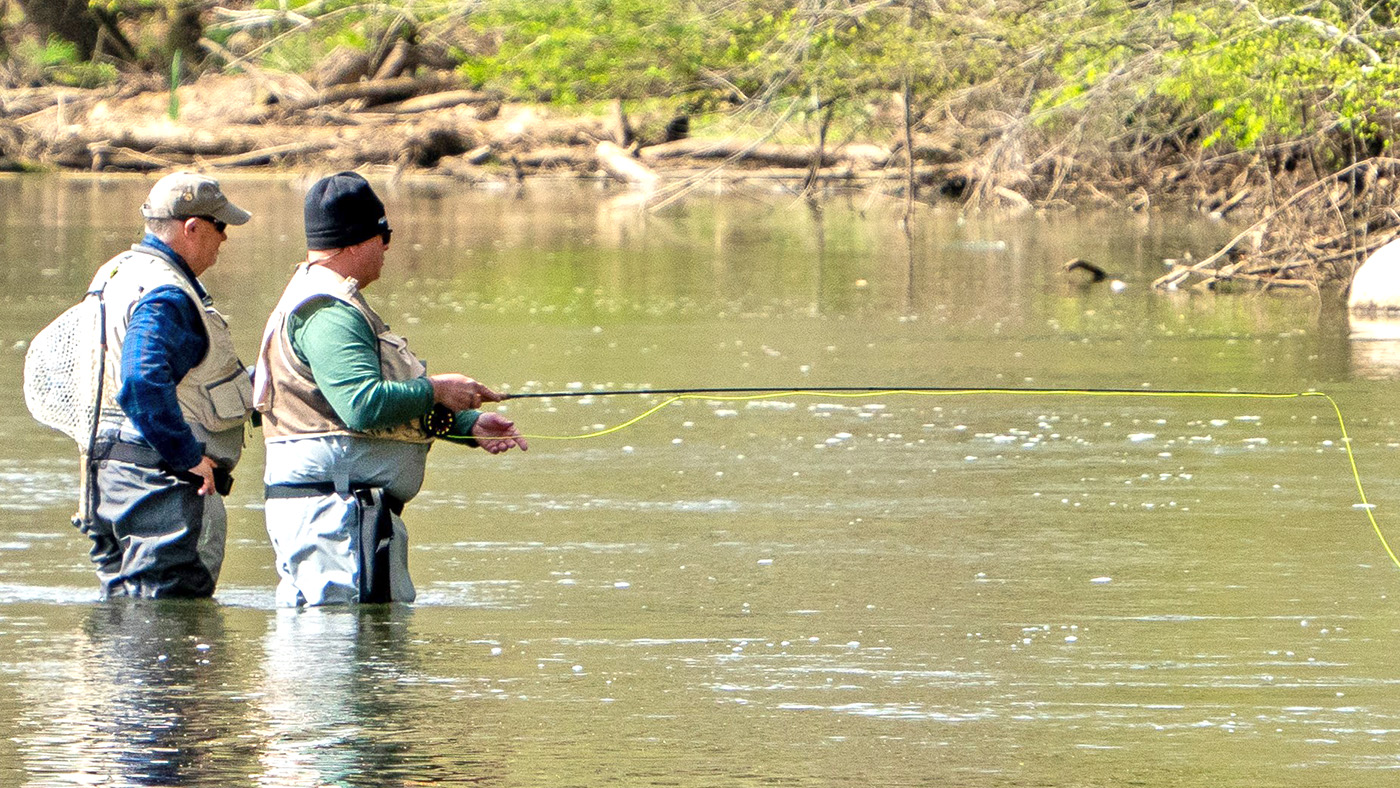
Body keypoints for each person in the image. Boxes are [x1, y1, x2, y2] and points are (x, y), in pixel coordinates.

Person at [253, 171, 527, 607]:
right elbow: (361, 405)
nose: (386, 248)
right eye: (385, 236)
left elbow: (360, 410)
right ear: (360, 239)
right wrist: (436, 388)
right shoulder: (328, 313)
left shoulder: (330, 301)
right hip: (336, 518)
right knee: (342, 655)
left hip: (349, 512)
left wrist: (466, 424)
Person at [86, 171, 254, 598]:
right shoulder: (168, 293)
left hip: (106, 475)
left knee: (126, 620)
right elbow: (143, 380)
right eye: (221, 227)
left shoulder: (114, 274)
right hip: (158, 487)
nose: (225, 238)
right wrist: (186, 455)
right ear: (192, 228)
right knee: (168, 621)